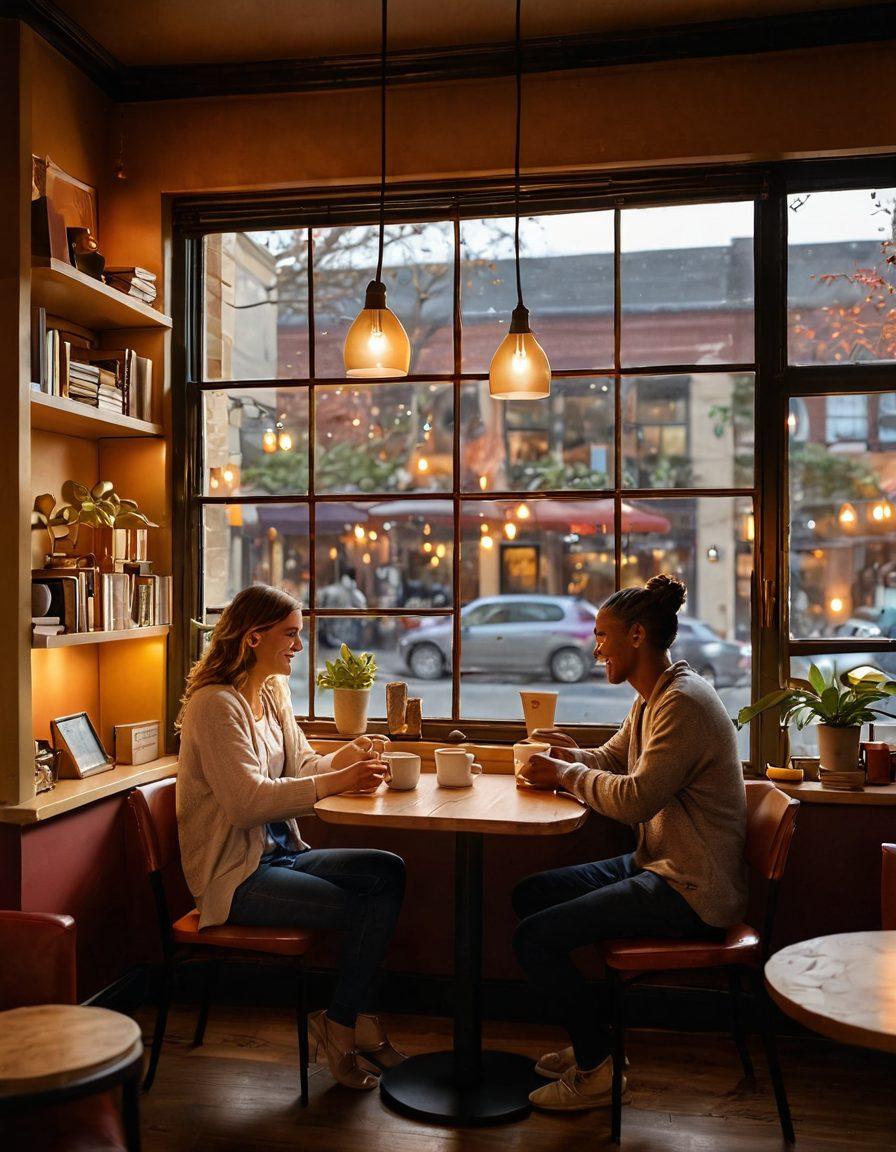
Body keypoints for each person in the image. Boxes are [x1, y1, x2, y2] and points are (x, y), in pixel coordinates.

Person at [513, 574, 747, 1112]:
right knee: (531, 896)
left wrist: (565, 775)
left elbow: (635, 799)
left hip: (694, 890)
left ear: (636, 635)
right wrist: (571, 756)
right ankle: (596, 1043)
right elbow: (614, 759)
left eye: (602, 635)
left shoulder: (682, 702)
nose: (595, 648)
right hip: (660, 865)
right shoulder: (654, 696)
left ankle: (597, 1069)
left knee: (533, 940)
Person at [177, 584, 406, 1091]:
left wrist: (350, 755)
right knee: (364, 908)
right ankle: (346, 1026)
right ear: (253, 637)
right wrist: (338, 782)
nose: (299, 646)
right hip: (235, 877)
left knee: (387, 871)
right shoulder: (215, 705)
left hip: (280, 856)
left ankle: (349, 1020)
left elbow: (302, 765)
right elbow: (246, 803)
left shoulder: (270, 693)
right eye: (290, 634)